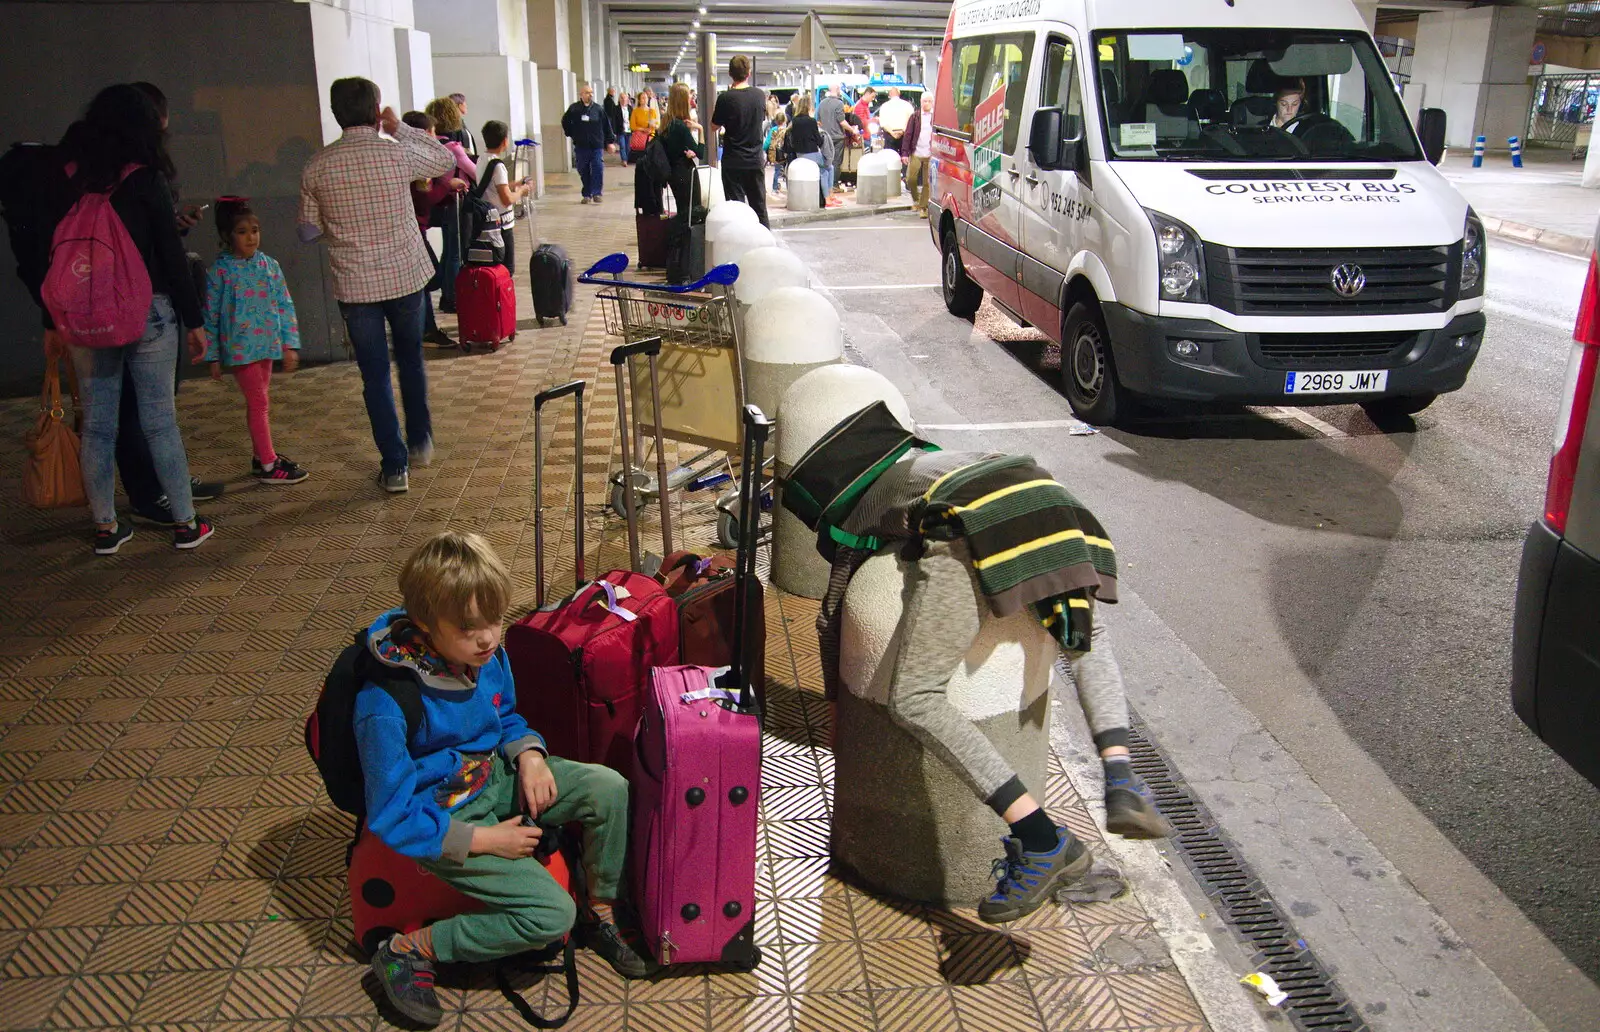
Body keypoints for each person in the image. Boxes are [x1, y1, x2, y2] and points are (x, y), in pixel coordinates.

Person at [789, 407, 1173, 924]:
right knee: (1081, 635)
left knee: (915, 697)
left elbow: (833, 613)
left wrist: (836, 705)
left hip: (971, 528)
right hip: (1050, 497)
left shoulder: (857, 512)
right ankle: (1122, 773)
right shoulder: (931, 461)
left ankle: (1042, 839)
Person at [358, 532, 653, 1029]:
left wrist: (532, 755)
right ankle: (407, 949)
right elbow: (392, 813)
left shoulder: (486, 657)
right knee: (549, 917)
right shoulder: (385, 705)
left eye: (495, 620)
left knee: (609, 788)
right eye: (469, 627)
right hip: (443, 816)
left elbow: (507, 718)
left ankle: (600, 907)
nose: (489, 638)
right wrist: (484, 840)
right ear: (426, 624)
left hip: (494, 776)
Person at [44, 85, 215, 553]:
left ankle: (106, 528)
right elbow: (170, 255)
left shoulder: (73, 180)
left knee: (99, 426)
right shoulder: (145, 179)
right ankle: (185, 524)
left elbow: (55, 254)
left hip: (85, 318)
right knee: (160, 422)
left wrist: (50, 321)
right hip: (147, 312)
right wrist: (194, 320)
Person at [299, 77, 455, 494]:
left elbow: (307, 232)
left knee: (374, 375)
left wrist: (338, 226)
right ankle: (421, 440)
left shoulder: (317, 166)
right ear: (375, 110)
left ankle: (394, 465)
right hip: (404, 276)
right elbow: (443, 160)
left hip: (355, 284)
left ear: (335, 113)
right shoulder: (395, 155)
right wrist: (399, 127)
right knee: (409, 359)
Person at [202, 197, 308, 485]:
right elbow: (209, 316)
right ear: (227, 236)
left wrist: (288, 344)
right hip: (240, 350)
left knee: (260, 402)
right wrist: (211, 355)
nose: (251, 237)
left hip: (267, 346)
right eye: (242, 231)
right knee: (259, 402)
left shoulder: (269, 265)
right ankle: (269, 464)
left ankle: (260, 456)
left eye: (255, 229)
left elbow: (284, 305)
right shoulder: (220, 272)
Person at [400, 110, 469, 349]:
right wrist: (446, 185)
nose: (434, 136)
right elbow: (424, 196)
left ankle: (426, 328)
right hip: (411, 230)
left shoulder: (409, 159)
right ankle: (419, 328)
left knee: (424, 279)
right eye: (430, 132)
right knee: (430, 276)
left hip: (416, 228)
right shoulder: (413, 160)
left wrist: (446, 185)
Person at [423, 98, 478, 316]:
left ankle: (447, 295)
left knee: (448, 250)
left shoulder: (428, 145)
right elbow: (475, 173)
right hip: (454, 202)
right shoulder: (454, 148)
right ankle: (452, 297)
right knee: (455, 252)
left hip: (435, 202)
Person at [710, 55, 770, 227]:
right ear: (749, 73)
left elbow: (714, 126)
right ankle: (765, 244)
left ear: (730, 73)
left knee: (736, 208)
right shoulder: (759, 95)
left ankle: (740, 245)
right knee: (759, 207)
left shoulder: (725, 98)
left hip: (733, 160)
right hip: (755, 159)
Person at [476, 120, 532, 276]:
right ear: (505, 141)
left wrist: (517, 183)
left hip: (488, 221)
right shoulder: (498, 166)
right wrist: (521, 191)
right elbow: (507, 198)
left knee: (495, 267)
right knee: (507, 269)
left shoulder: (482, 160)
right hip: (501, 225)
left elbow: (496, 186)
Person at [561, 83, 614, 204]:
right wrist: (570, 133)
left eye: (591, 92)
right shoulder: (574, 109)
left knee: (598, 168)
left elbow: (606, 125)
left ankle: (596, 193)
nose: (590, 95)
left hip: (596, 145)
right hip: (581, 145)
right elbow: (565, 121)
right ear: (581, 94)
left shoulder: (598, 109)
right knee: (583, 169)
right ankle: (587, 193)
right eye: (587, 92)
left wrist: (610, 141)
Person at [659, 81, 705, 218]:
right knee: (691, 213)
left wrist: (686, 150)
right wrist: (700, 129)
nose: (690, 99)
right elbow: (700, 153)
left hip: (673, 174)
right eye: (688, 97)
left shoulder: (667, 122)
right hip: (685, 174)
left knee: (682, 210)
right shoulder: (680, 126)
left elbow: (674, 148)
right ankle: (683, 239)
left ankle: (678, 238)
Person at [786, 92, 828, 206]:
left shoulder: (794, 121)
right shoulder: (811, 121)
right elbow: (818, 140)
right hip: (812, 153)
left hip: (799, 154)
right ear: (808, 106)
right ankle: (827, 197)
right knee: (827, 169)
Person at [901, 93, 934, 218]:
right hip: (916, 152)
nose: (926, 103)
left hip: (930, 154)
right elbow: (908, 135)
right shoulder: (915, 116)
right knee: (911, 179)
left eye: (928, 101)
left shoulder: (935, 117)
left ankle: (923, 207)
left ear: (932, 102)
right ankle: (916, 199)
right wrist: (904, 153)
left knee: (927, 182)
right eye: (924, 101)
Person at [817, 85, 851, 189]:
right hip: (837, 137)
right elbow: (842, 121)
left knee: (825, 161)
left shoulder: (821, 103)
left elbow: (818, 121)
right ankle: (834, 185)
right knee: (836, 162)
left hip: (824, 137)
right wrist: (852, 129)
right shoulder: (839, 103)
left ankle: (825, 186)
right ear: (837, 90)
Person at [876, 86, 914, 152]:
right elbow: (911, 121)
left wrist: (892, 133)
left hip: (889, 135)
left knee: (890, 159)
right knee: (904, 157)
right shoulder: (907, 105)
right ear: (899, 94)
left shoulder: (884, 106)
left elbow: (883, 123)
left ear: (890, 95)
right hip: (904, 136)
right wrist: (902, 131)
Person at [763, 112, 789, 195]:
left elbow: (767, 142)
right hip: (785, 153)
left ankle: (774, 188)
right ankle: (789, 188)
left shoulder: (773, 129)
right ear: (785, 120)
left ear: (776, 121)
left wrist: (764, 149)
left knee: (777, 170)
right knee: (787, 170)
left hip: (776, 154)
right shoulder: (786, 130)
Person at [450, 93, 478, 160]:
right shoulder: (454, 125)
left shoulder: (460, 123)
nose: (466, 106)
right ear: (460, 105)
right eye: (465, 103)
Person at [604, 87, 628, 165]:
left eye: (625, 98)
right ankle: (624, 160)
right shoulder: (611, 103)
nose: (623, 100)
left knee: (628, 146)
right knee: (622, 145)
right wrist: (613, 130)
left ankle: (626, 158)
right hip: (620, 129)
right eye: (621, 98)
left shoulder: (630, 108)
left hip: (629, 130)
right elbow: (613, 119)